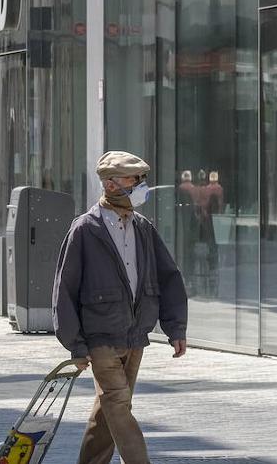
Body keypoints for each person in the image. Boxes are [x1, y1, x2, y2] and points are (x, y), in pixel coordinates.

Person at [52, 151, 189, 464]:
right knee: (118, 405)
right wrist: (75, 344)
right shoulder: (85, 230)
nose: (141, 185)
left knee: (107, 413)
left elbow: (169, 277)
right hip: (100, 337)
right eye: (134, 180)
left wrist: (175, 327)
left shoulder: (142, 227)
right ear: (112, 185)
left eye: (141, 179)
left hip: (134, 335)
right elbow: (65, 288)